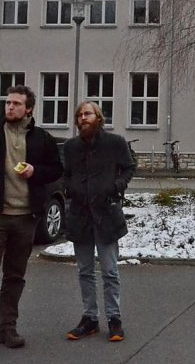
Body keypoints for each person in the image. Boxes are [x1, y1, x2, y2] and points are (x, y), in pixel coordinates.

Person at [0, 85, 62, 357]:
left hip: (25, 219)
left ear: (28, 108)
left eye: (17, 103)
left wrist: (35, 171)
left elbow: (56, 169)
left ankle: (7, 330)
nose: (10, 107)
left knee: (15, 277)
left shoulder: (42, 138)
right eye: (7, 103)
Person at [63, 101, 135, 343]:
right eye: (80, 114)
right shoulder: (71, 146)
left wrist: (116, 186)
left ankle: (114, 319)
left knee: (110, 270)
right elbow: (66, 174)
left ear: (98, 117)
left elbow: (128, 168)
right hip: (80, 215)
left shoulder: (115, 143)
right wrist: (69, 188)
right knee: (84, 271)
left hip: (106, 213)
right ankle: (89, 318)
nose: (84, 117)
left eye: (88, 113)